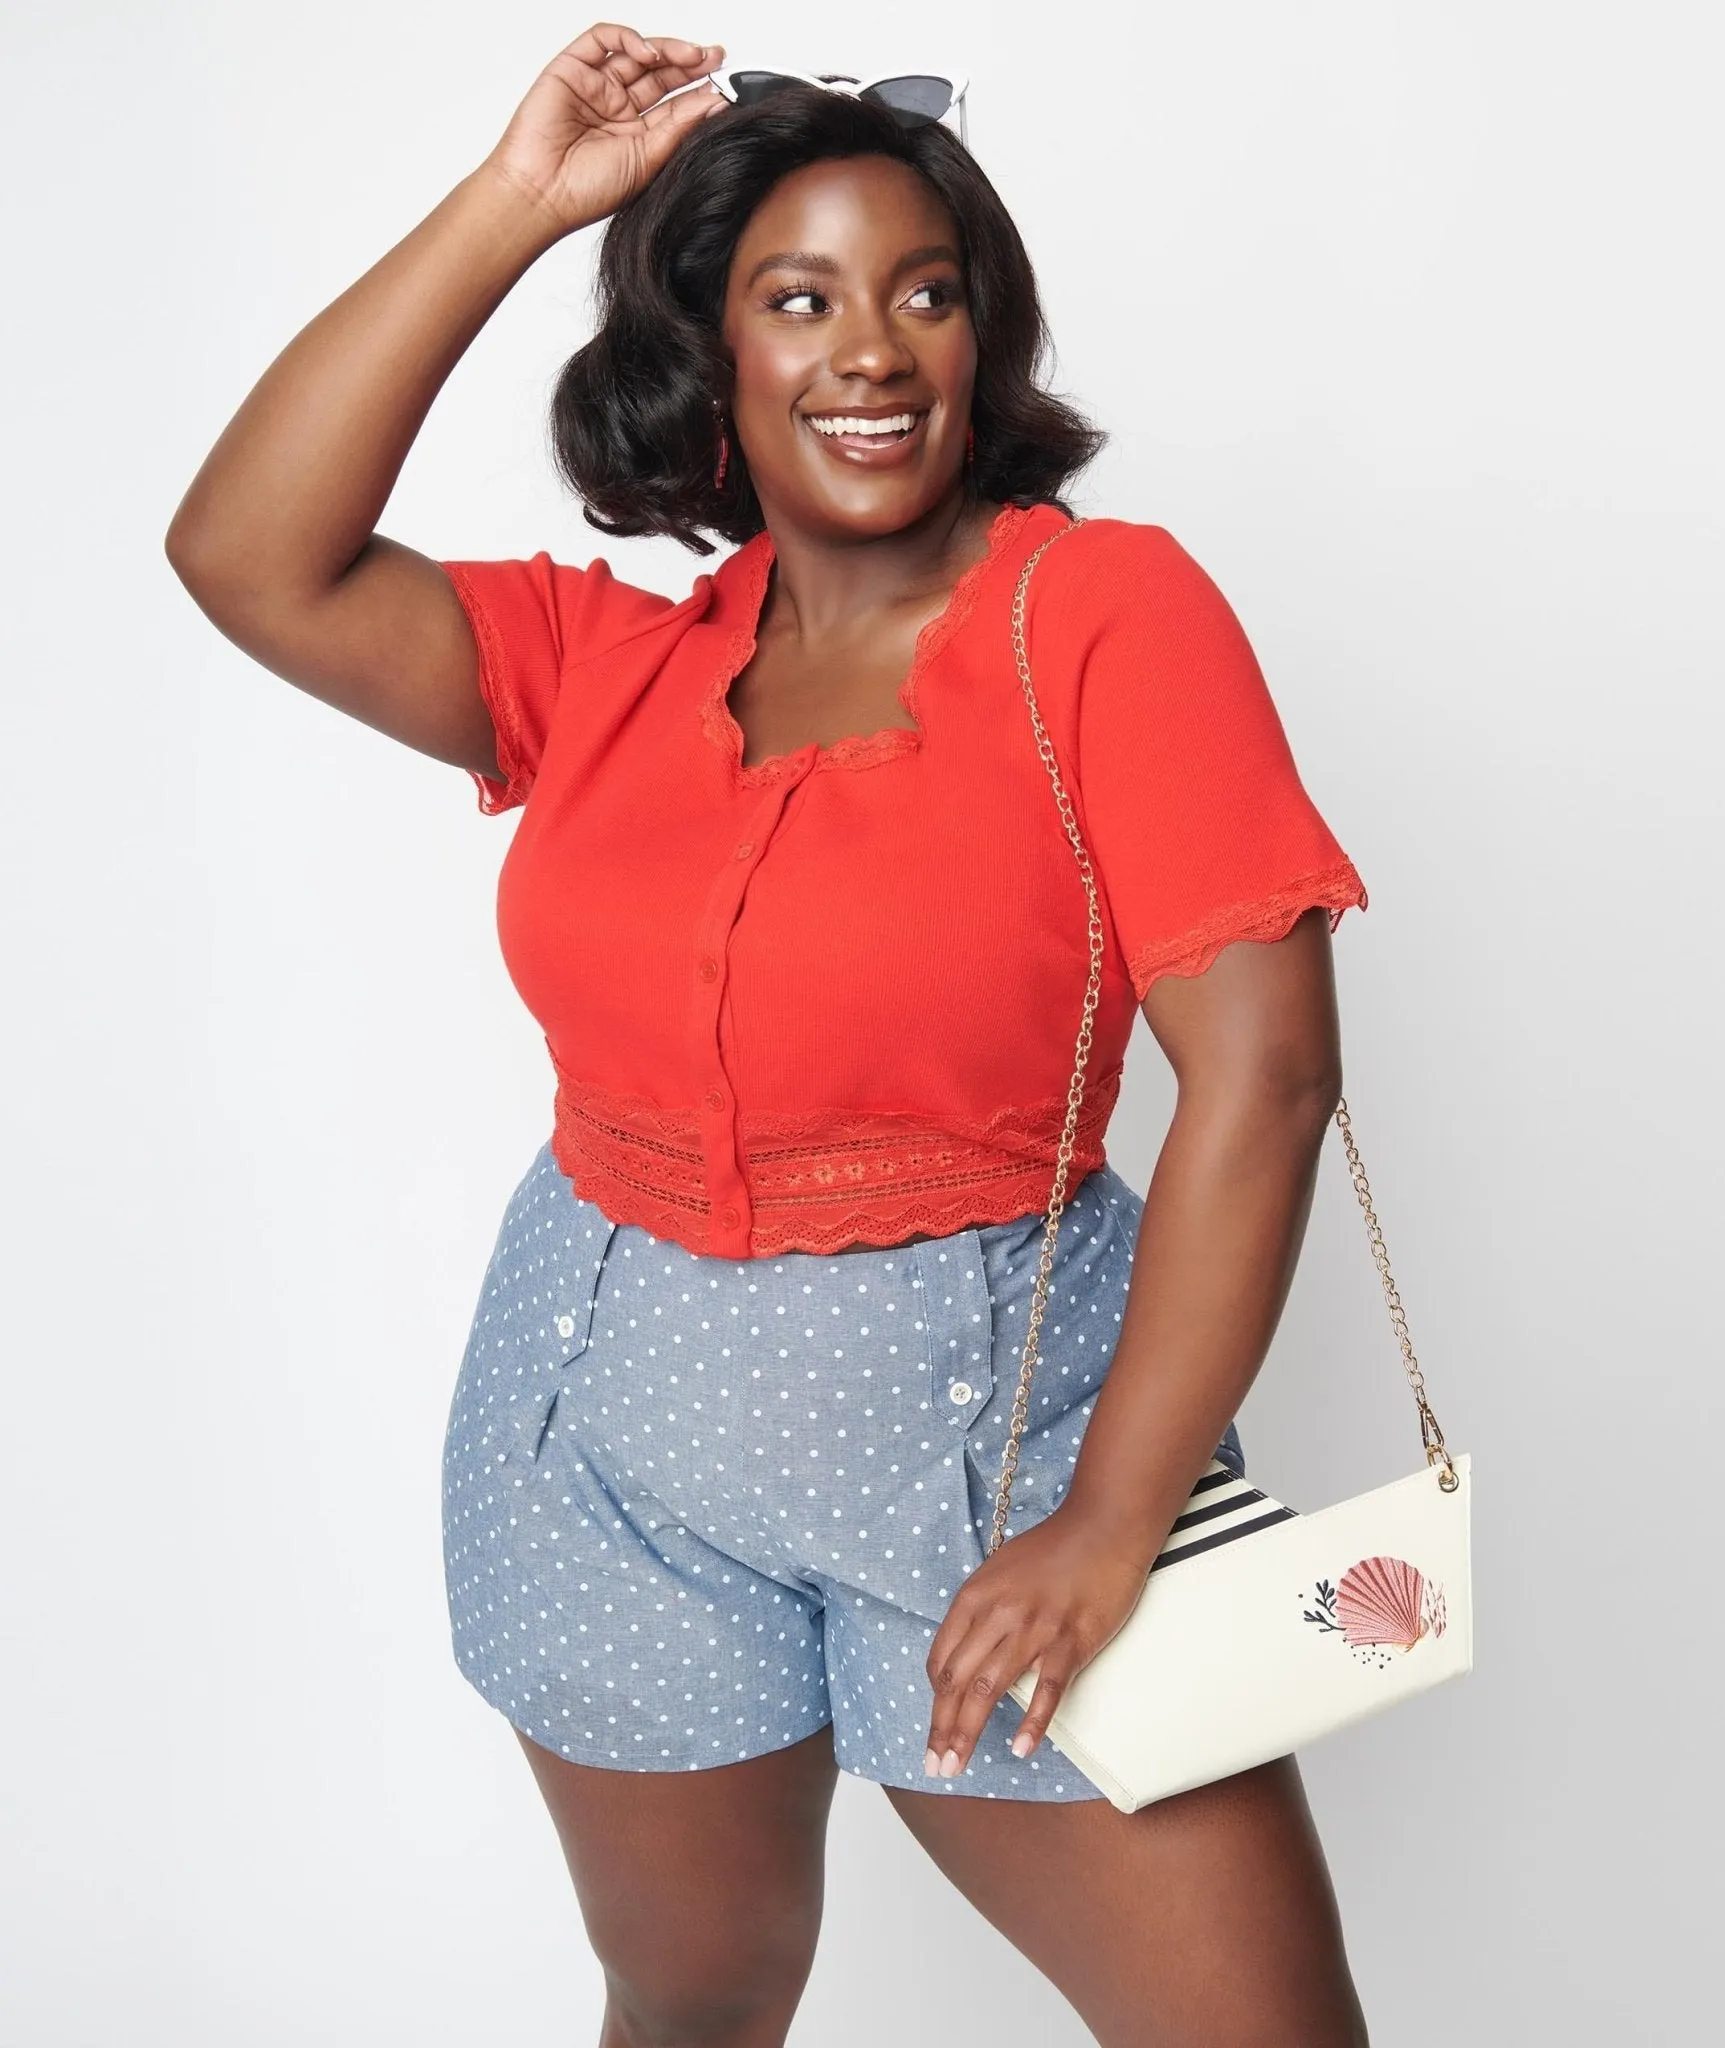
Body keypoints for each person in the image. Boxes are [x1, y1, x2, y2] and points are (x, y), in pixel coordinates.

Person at [166, 24, 1374, 2046]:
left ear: (983, 341)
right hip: (598, 1446)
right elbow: (247, 554)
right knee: (697, 1988)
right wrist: (518, 202)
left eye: (924, 293)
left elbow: (1272, 1075)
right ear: (712, 362)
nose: (871, 350)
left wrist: (1110, 1521)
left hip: (1019, 1456)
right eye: (796, 299)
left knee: (1260, 2029)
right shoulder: (608, 668)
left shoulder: (1103, 616)